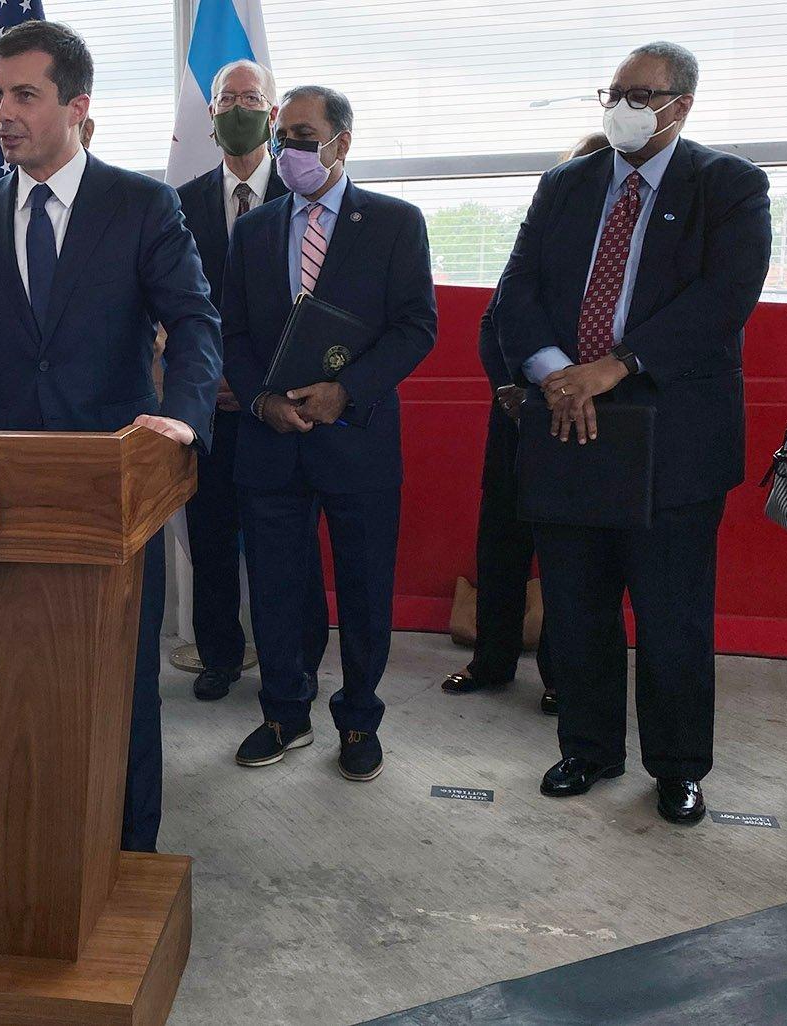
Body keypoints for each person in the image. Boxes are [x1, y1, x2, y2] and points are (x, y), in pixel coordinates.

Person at [0, 20, 221, 853]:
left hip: (115, 486)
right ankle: (43, 843)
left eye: (24, 94)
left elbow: (195, 321)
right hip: (9, 488)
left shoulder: (141, 205)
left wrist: (187, 419)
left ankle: (130, 855)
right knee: (27, 677)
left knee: (121, 682)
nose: (4, 113)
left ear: (76, 106)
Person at [495, 42, 770, 824]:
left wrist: (613, 368)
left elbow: (725, 298)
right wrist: (557, 373)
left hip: (672, 434)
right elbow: (519, 289)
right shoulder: (565, 185)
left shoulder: (728, 185)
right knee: (577, 605)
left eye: (641, 94)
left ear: (681, 105)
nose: (622, 106)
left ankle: (678, 767)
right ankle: (586, 749)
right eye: (613, 92)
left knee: (672, 613)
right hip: (566, 421)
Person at [221, 85, 437, 783]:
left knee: (365, 588)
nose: (287, 150)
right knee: (280, 588)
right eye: (282, 136)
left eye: (304, 136)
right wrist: (260, 402)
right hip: (271, 440)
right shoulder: (253, 230)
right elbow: (234, 331)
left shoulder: (396, 223)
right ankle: (286, 711)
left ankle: (359, 719)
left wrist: (347, 391)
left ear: (343, 142)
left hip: (358, 436)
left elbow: (416, 327)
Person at [175, 59, 329, 703]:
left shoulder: (306, 200)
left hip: (283, 405)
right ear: (210, 116)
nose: (236, 108)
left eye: (249, 97)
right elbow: (174, 308)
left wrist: (259, 384)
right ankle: (218, 653)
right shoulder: (177, 205)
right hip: (208, 407)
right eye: (225, 98)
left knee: (287, 543)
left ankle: (296, 658)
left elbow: (316, 307)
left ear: (272, 114)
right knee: (210, 538)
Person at [443, 132, 609, 715]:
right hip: (516, 420)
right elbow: (497, 325)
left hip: (587, 425)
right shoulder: (541, 243)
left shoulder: (626, 255)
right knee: (501, 545)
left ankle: (562, 674)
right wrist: (511, 388)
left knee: (571, 557)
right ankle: (492, 660)